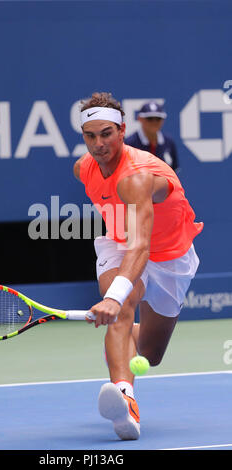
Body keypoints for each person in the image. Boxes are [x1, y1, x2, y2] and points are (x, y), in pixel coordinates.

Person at [73, 92, 203, 440]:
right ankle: (125, 399)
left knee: (150, 352)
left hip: (169, 254)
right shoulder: (83, 168)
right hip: (119, 243)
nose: (99, 144)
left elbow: (141, 245)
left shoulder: (137, 176)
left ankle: (125, 343)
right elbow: (128, 243)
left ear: (122, 130)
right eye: (90, 136)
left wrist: (114, 297)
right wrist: (118, 298)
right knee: (123, 306)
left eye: (107, 134)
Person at [125, 101, 180, 173]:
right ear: (139, 118)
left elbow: (174, 170)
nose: (154, 122)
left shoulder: (169, 142)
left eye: (158, 118)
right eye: (149, 118)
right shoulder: (129, 144)